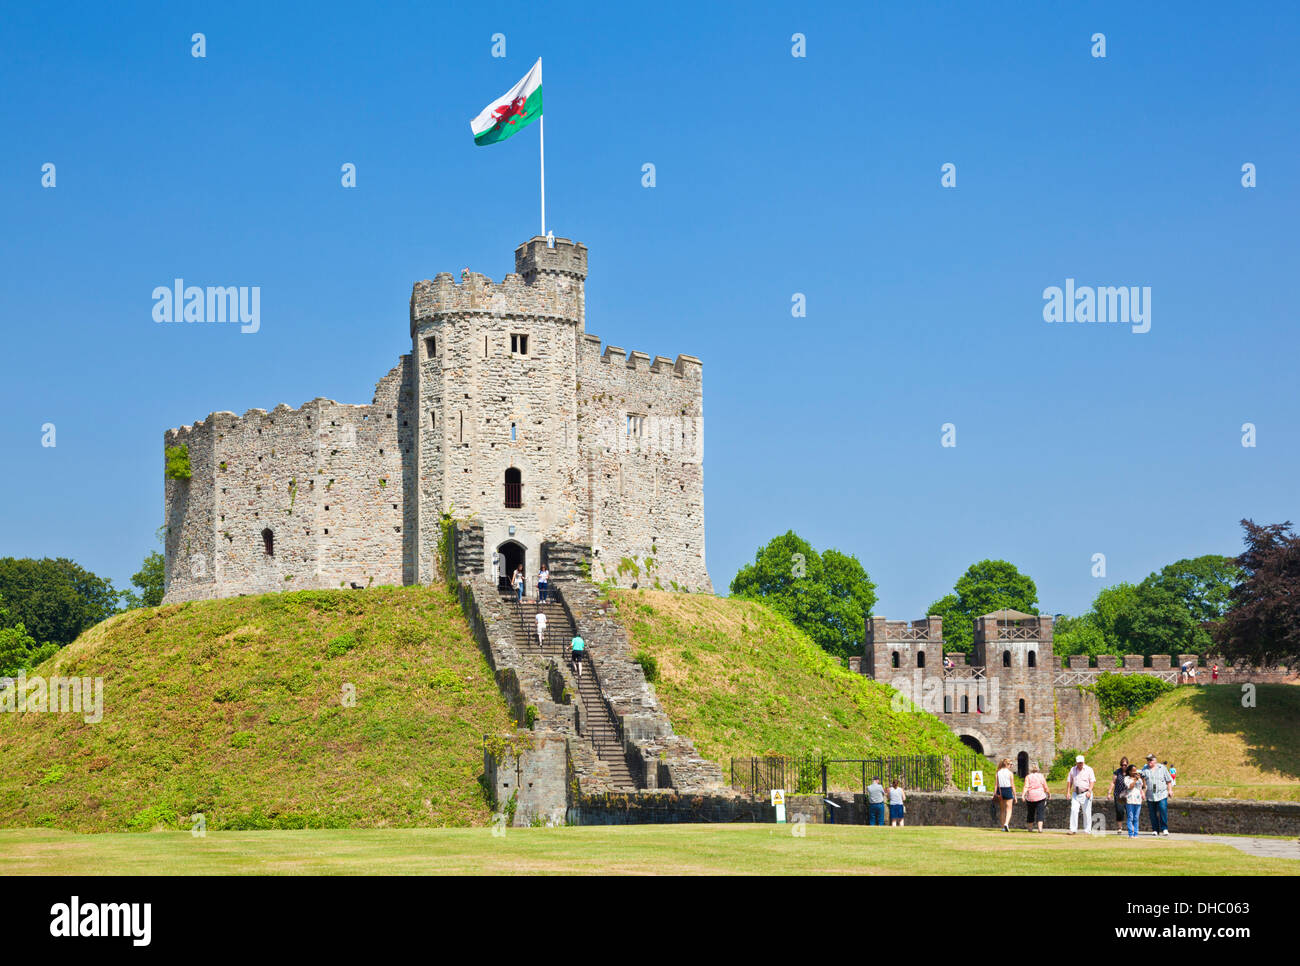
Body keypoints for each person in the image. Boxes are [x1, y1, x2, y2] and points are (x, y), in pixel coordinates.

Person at [1140, 753, 1173, 836]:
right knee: (1152, 813)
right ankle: (1155, 829)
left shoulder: (1162, 768)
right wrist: (1142, 792)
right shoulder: (1144, 769)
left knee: (1163, 810)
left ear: (1155, 760)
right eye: (1147, 760)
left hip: (1161, 794)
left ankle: (1164, 828)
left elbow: (1169, 780)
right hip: (1150, 795)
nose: (1149, 762)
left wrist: (1170, 790)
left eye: (1150, 760)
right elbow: (1141, 782)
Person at [1066, 754, 1096, 835]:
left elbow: (1092, 781)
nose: (1080, 764)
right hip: (1076, 793)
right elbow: (1069, 781)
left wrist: (1089, 791)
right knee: (1074, 810)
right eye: (1079, 763)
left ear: (1084, 762)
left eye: (1081, 762)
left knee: (1086, 812)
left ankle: (1087, 830)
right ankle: (1073, 829)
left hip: (1085, 793)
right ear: (1076, 762)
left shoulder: (1089, 769)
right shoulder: (1072, 770)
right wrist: (1068, 792)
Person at [1022, 762, 1049, 832]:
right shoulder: (1041, 776)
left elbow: (1026, 786)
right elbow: (1045, 786)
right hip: (1040, 795)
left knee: (1030, 813)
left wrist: (1023, 795)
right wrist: (1048, 793)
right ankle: (1040, 829)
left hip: (1031, 796)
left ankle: (1030, 829)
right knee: (1040, 812)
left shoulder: (1028, 777)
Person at [1123, 765, 1145, 838]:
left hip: (1138, 800)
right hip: (1130, 800)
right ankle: (1130, 834)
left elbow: (1143, 787)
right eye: (1133, 771)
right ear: (1129, 771)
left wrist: (1143, 778)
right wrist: (1135, 779)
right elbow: (1130, 787)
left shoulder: (1139, 779)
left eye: (1136, 770)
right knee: (1130, 817)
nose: (1135, 772)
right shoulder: (1127, 778)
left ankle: (1136, 833)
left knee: (1136, 817)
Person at [995, 758, 1016, 831]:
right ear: (1007, 764)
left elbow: (996, 784)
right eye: (1010, 764)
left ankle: (1003, 827)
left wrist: (995, 793)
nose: (1011, 766)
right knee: (1009, 809)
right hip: (1007, 789)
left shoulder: (998, 772)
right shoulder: (1010, 773)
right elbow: (1012, 785)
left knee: (1002, 810)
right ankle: (1006, 823)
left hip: (1000, 790)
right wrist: (1015, 796)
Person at [1111, 756, 1130, 834]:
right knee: (1119, 811)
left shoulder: (1130, 772)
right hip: (1119, 794)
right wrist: (1109, 792)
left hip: (1128, 795)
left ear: (1127, 765)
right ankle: (1119, 827)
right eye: (1122, 765)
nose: (1123, 766)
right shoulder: (1117, 772)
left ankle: (1130, 827)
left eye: (1125, 765)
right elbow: (1113, 782)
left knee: (1129, 811)